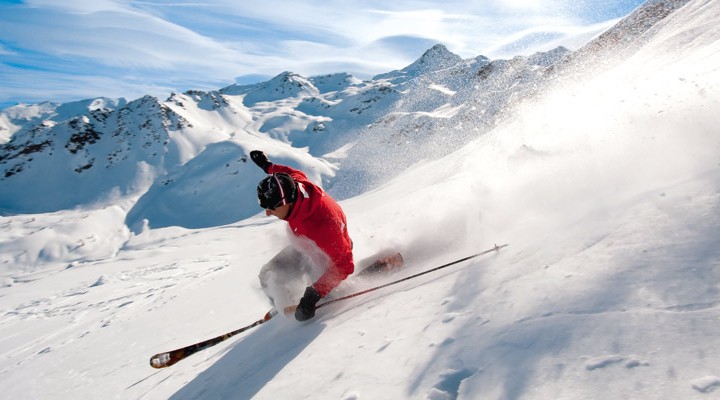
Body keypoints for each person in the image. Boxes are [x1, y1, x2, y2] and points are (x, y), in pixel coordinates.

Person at [250, 150, 355, 321]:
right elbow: (287, 173)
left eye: (271, 208)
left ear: (286, 202)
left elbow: (344, 265)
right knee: (268, 275)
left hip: (330, 254)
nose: (268, 213)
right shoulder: (295, 185)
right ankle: (284, 305)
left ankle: (337, 291)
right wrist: (267, 166)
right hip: (306, 246)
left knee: (323, 289)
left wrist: (313, 294)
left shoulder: (322, 225)